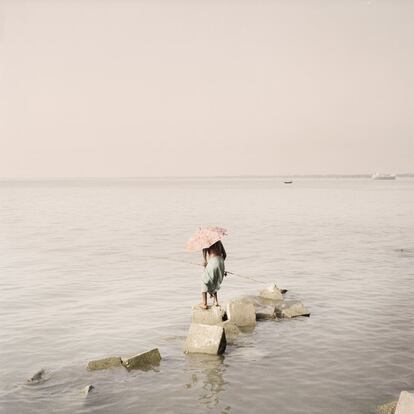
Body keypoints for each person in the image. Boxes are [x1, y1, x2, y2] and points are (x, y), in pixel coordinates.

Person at [200, 240, 227, 309]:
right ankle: (216, 302)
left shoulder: (205, 242)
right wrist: (220, 267)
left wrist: (207, 263)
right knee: (215, 281)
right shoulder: (219, 241)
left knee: (204, 280)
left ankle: (204, 303)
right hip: (220, 262)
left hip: (213, 261)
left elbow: (204, 262)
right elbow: (225, 254)